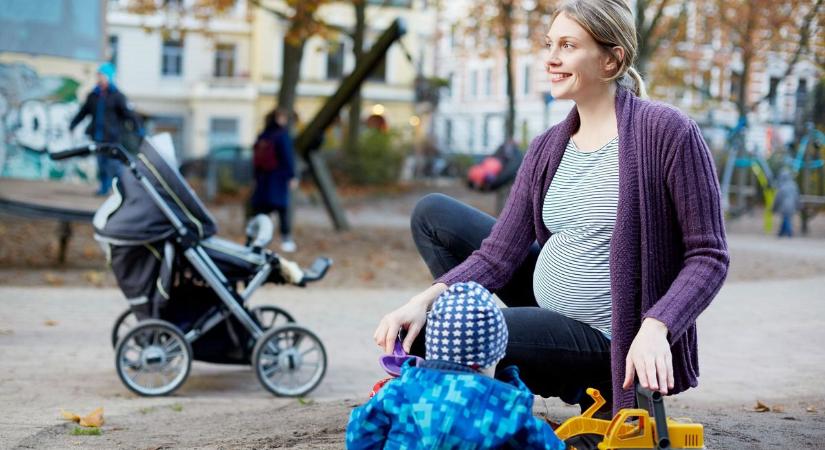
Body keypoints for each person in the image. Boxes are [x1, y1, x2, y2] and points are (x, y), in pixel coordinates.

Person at [374, 0, 729, 418]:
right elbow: (498, 254)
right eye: (549, 44)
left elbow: (709, 256)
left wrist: (657, 325)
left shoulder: (667, 133)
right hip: (548, 309)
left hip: (610, 338)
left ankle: (579, 383)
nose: (551, 58)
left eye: (568, 45)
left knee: (439, 338)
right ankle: (488, 354)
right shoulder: (548, 146)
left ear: (611, 59)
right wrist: (426, 299)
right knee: (432, 217)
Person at [348, 282, 566, 450]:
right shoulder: (508, 410)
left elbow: (360, 432)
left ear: (432, 350)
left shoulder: (399, 392)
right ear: (496, 357)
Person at [69, 62, 142, 196]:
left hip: (113, 137)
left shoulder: (117, 96)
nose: (99, 78)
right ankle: (104, 188)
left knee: (114, 165)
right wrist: (73, 124)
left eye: (102, 75)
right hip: (98, 137)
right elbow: (83, 112)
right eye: (98, 75)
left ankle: (122, 190)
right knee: (101, 164)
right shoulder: (93, 95)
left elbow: (129, 114)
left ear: (109, 77)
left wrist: (138, 129)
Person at [250, 108, 298, 253]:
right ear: (278, 118)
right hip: (278, 177)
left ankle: (259, 239)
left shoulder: (263, 135)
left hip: (263, 179)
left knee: (263, 211)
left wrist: (255, 178)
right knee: (282, 209)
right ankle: (286, 239)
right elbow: (287, 156)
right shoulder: (282, 135)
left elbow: (256, 159)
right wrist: (291, 175)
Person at [773, 167, 801, 237]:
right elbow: (797, 196)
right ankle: (781, 233)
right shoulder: (793, 185)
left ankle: (789, 233)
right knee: (786, 218)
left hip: (784, 206)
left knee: (786, 219)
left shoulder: (781, 186)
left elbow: (778, 198)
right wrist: (798, 205)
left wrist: (773, 208)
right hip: (792, 205)